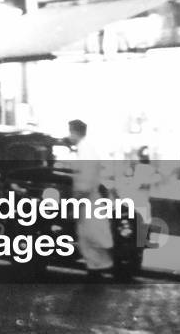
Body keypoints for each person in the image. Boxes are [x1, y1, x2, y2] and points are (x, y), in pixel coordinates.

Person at [67, 118, 114, 275]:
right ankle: (95, 273)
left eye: (70, 132)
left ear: (74, 132)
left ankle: (94, 276)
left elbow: (85, 184)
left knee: (91, 240)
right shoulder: (86, 149)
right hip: (89, 202)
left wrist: (75, 205)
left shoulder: (84, 151)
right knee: (91, 240)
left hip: (87, 203)